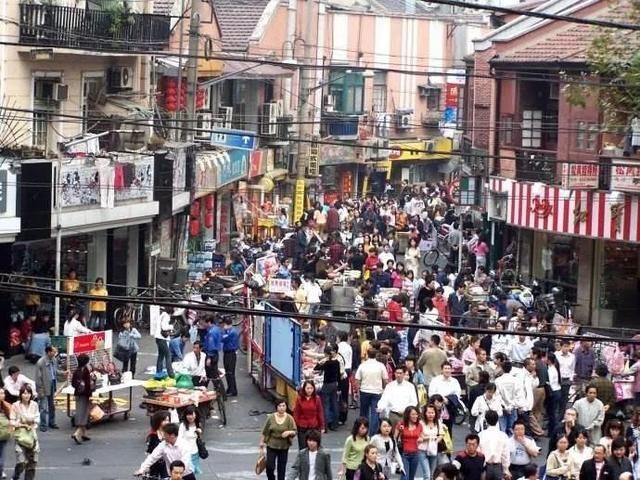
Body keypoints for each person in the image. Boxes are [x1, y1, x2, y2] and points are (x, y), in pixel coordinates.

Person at [259, 399, 297, 480]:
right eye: (280, 406)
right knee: (270, 466)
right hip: (271, 445)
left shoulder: (289, 418)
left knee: (281, 468)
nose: (282, 408)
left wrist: (289, 432)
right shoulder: (271, 418)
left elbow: (295, 431)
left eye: (284, 406)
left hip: (284, 446)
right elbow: (264, 431)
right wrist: (261, 444)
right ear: (276, 407)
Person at [355, 348, 388, 437]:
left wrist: (356, 391)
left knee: (363, 413)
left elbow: (357, 379)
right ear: (376, 355)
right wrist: (384, 388)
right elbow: (385, 379)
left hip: (364, 391)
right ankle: (373, 434)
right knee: (375, 413)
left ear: (367, 355)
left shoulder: (363, 365)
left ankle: (362, 432)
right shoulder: (381, 366)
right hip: (377, 392)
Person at [10, 385, 40, 480]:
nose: (26, 395)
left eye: (28, 393)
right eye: (24, 393)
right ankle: (16, 475)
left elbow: (37, 420)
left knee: (32, 463)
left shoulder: (34, 405)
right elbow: (12, 421)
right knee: (21, 462)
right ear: (21, 394)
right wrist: (22, 424)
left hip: (32, 436)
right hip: (20, 436)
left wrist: (29, 422)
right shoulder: (15, 405)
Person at [428, 362, 463, 435]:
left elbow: (458, 394)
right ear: (441, 370)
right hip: (437, 408)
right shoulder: (435, 380)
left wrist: (448, 400)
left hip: (449, 407)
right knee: (436, 429)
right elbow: (431, 393)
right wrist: (441, 400)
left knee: (448, 429)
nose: (447, 370)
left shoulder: (454, 381)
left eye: (449, 368)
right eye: (445, 368)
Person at [34, 346, 63, 432]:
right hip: (43, 387)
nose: (55, 353)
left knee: (52, 406)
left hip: (52, 385)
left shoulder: (54, 360)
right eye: (54, 352)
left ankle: (52, 422)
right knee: (43, 407)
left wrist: (63, 373)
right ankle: (43, 424)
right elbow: (38, 378)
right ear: (49, 352)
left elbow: (55, 371)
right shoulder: (41, 362)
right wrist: (40, 390)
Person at [314, 345, 341, 432]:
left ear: (326, 354)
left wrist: (323, 360)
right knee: (334, 404)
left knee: (325, 405)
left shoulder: (327, 363)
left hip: (327, 384)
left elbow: (316, 368)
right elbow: (339, 375)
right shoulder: (337, 362)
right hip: (334, 384)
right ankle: (334, 424)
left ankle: (325, 426)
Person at [478, 410, 510, 480]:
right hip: (498, 467)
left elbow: (478, 453)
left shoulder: (481, 435)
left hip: (485, 467)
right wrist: (506, 469)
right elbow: (505, 455)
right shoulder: (503, 435)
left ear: (486, 421)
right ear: (497, 420)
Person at [70, 354, 95, 445]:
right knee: (84, 414)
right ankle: (77, 434)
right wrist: (90, 394)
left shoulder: (76, 371)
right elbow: (88, 384)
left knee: (80, 412)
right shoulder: (86, 371)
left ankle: (84, 434)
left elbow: (73, 383)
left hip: (78, 394)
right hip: (85, 395)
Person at [395, 406, 423, 480]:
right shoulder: (401, 425)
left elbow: (422, 436)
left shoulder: (419, 426)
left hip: (415, 454)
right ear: (408, 415)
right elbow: (394, 438)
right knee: (405, 477)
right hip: (404, 454)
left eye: (416, 414)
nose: (415, 416)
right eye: (413, 414)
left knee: (411, 477)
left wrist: (421, 439)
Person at [293, 381, 325, 448]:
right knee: (302, 447)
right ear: (304, 389)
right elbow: (296, 413)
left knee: (313, 447)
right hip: (302, 427)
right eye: (308, 388)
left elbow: (320, 413)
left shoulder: (317, 399)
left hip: (314, 427)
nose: (309, 390)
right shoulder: (299, 399)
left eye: (311, 388)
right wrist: (295, 426)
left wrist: (322, 426)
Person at [177, 406, 203, 475]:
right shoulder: (183, 426)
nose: (190, 417)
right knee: (188, 472)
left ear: (196, 415)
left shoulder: (198, 425)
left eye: (192, 414)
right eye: (188, 414)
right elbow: (179, 439)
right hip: (186, 453)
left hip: (195, 452)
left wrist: (199, 432)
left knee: (193, 472)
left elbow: (199, 438)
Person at [146, 411, 171, 479]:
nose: (166, 422)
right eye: (164, 420)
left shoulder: (170, 433)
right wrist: (147, 466)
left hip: (166, 461)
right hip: (155, 462)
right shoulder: (153, 435)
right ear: (158, 421)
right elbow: (150, 451)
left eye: (168, 420)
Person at [153, 306, 174, 378]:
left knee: (161, 355)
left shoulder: (162, 315)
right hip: (162, 338)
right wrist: (171, 326)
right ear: (170, 312)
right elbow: (164, 327)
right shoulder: (166, 316)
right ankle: (171, 373)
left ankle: (159, 372)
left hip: (158, 337)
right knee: (168, 354)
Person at [221, 317, 239, 397]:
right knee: (228, 372)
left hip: (230, 353)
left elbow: (223, 339)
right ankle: (230, 388)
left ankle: (233, 390)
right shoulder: (228, 331)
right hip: (227, 353)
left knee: (230, 372)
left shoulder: (232, 333)